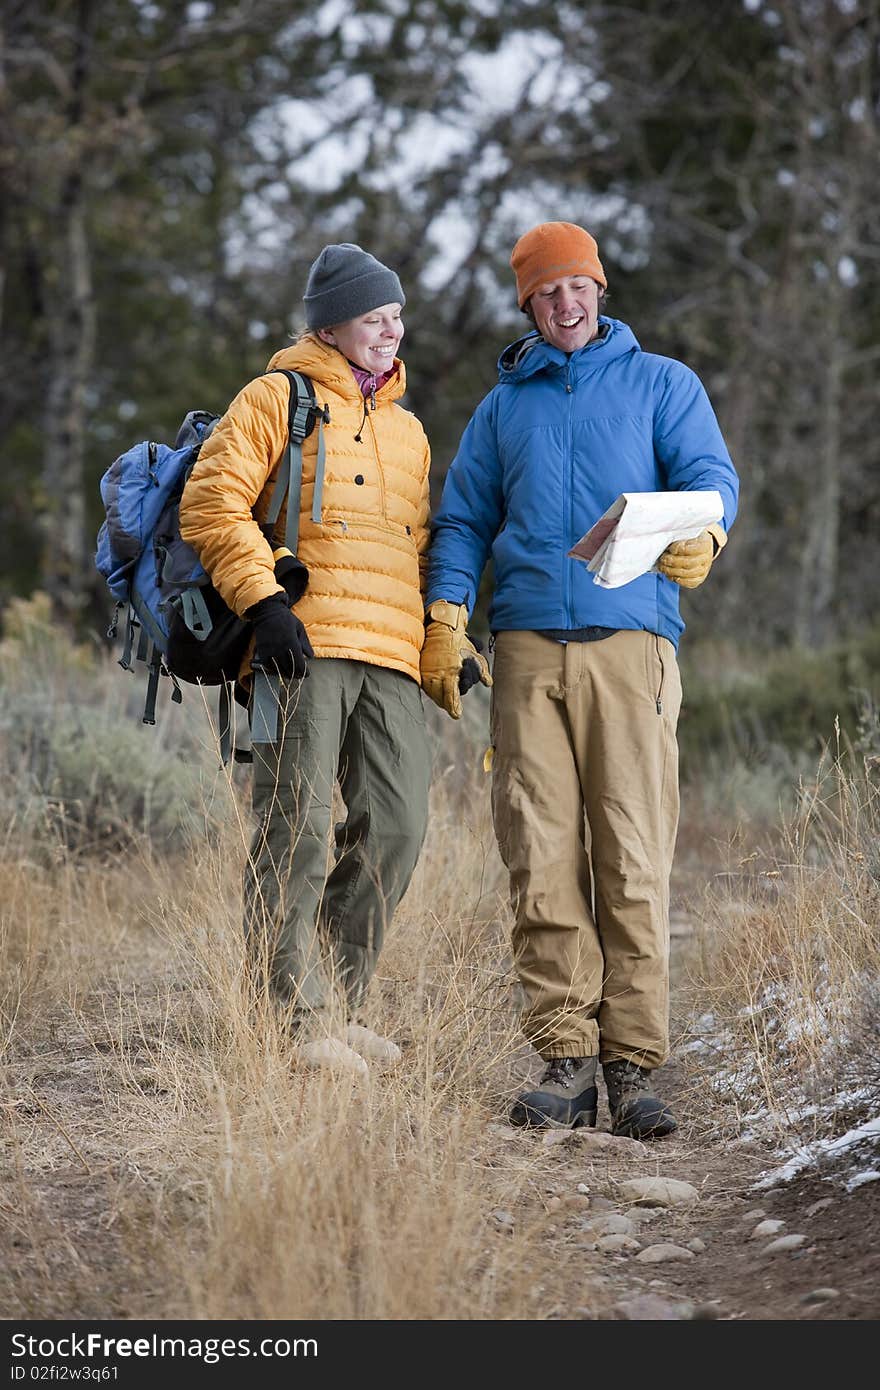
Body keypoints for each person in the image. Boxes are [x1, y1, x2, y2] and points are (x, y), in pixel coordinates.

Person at [421, 221, 739, 1136]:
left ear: (600, 291)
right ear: (527, 303)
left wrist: (706, 532)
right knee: (540, 851)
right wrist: (448, 612)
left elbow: (712, 477)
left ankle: (633, 1068)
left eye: (577, 287)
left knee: (632, 855)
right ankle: (564, 1058)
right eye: (545, 292)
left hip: (631, 646)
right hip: (525, 651)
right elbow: (462, 521)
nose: (564, 304)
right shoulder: (501, 409)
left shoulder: (661, 385)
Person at [179, 244, 436, 1075]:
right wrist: (265, 606)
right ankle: (289, 1018)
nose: (392, 331)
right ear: (330, 324)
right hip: (299, 647)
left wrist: (443, 642)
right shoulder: (273, 397)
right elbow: (212, 502)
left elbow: (422, 550)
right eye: (375, 317)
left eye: (397, 315)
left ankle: (339, 997)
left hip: (391, 653)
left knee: (397, 825)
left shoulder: (409, 431)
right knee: (293, 829)